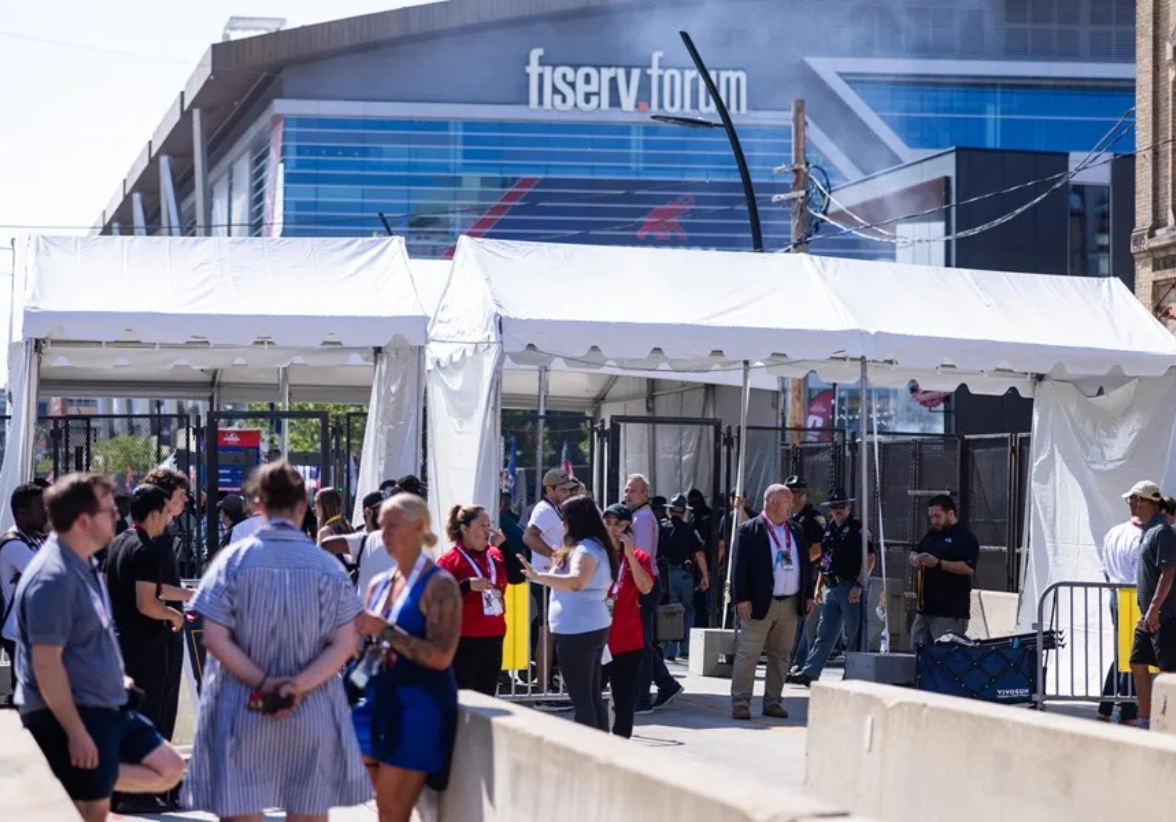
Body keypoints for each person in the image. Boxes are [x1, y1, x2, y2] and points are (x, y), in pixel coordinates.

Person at [183, 460, 369, 821]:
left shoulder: (231, 563)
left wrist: (265, 684)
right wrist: (296, 686)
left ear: (258, 505)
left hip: (241, 706)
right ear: (303, 507)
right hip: (311, 708)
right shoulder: (326, 566)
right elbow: (346, 642)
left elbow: (214, 637)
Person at [14, 474, 184, 822]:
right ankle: (78, 777)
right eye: (109, 511)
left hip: (104, 702)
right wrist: (75, 732)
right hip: (76, 711)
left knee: (168, 767)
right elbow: (46, 666)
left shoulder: (85, 563)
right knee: (93, 812)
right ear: (83, 521)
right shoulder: (53, 578)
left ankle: (86, 776)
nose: (118, 517)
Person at [352, 493, 461, 822]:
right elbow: (370, 646)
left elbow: (441, 657)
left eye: (392, 526)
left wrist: (385, 630)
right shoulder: (379, 583)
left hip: (418, 706)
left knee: (391, 811)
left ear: (418, 528)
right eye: (380, 526)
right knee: (381, 802)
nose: (383, 535)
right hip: (376, 701)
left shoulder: (439, 585)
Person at [101, 485, 188, 812]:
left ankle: (121, 792)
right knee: (147, 716)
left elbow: (120, 588)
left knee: (127, 718)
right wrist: (173, 615)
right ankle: (139, 793)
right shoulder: (146, 549)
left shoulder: (120, 542)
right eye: (166, 514)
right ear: (154, 514)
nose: (168, 520)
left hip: (122, 640)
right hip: (145, 644)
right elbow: (147, 602)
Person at [521, 495, 617, 730]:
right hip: (586, 627)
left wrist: (539, 576)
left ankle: (588, 752)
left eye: (564, 519)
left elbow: (576, 581)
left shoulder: (586, 549)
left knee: (583, 699)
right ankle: (602, 748)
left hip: (579, 630)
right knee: (591, 696)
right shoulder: (592, 545)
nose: (562, 524)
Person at [730, 484, 815, 721]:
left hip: (789, 603)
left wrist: (808, 594)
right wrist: (742, 599)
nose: (793, 503)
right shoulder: (749, 530)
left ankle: (773, 702)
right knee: (749, 653)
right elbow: (739, 568)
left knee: (781, 655)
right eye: (787, 499)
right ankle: (741, 702)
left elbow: (805, 566)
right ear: (771, 502)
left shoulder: (796, 530)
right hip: (758, 603)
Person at [793, 488, 875, 687]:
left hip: (849, 586)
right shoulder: (830, 529)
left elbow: (870, 558)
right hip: (831, 587)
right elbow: (825, 559)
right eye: (834, 506)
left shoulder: (858, 529)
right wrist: (819, 585)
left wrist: (859, 584)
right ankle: (810, 672)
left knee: (855, 634)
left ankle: (853, 674)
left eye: (842, 506)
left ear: (848, 507)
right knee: (824, 632)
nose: (838, 510)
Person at [437, 505, 517, 695]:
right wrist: (466, 585)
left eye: (489, 525)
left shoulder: (495, 555)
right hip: (465, 639)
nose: (487, 531)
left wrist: (504, 546)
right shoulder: (450, 560)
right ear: (465, 529)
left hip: (494, 635)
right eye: (482, 526)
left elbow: (517, 577)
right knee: (463, 698)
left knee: (487, 697)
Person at [623, 475, 680, 712]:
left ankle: (643, 696)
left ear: (645, 494)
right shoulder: (638, 516)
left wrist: (635, 589)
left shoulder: (644, 518)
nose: (627, 495)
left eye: (633, 491)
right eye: (626, 490)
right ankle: (666, 684)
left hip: (643, 584)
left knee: (641, 642)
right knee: (642, 640)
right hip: (642, 583)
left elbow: (641, 557)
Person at [523, 468, 577, 704]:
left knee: (551, 633)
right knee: (548, 634)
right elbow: (528, 536)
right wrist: (554, 554)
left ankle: (546, 687)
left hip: (550, 579)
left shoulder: (554, 509)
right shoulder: (544, 510)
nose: (566, 492)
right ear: (550, 489)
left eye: (568, 488)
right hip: (545, 579)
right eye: (562, 488)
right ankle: (543, 691)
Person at [1125, 481, 1176, 731]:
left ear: (1149, 502)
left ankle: (1168, 725)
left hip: (1163, 616)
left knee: (1169, 673)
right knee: (1136, 661)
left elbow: (1168, 573)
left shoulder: (1162, 531)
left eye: (1136, 499)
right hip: (1149, 617)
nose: (1131, 503)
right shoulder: (1148, 530)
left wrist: (1155, 608)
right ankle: (1145, 720)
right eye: (1131, 499)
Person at [600, 504, 654, 739]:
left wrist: (630, 553)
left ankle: (620, 746)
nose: (613, 529)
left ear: (628, 528)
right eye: (608, 524)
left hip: (627, 641)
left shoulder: (640, 556)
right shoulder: (595, 554)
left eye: (619, 525)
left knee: (624, 703)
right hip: (598, 639)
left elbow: (645, 587)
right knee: (592, 697)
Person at [909, 495, 979, 646]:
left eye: (938, 516)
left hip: (948, 611)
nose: (934, 521)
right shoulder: (932, 534)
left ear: (951, 514)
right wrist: (915, 558)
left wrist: (938, 563)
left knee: (943, 655)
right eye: (931, 517)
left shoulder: (964, 537)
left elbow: (968, 568)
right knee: (917, 650)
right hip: (925, 609)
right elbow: (915, 551)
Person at [1, 483, 48, 707]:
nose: (45, 512)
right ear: (22, 513)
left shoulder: (35, 538)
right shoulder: (14, 544)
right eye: (40, 507)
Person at [1096, 503, 1142, 726]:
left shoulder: (1115, 532)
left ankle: (1107, 707)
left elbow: (1105, 568)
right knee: (1134, 654)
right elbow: (1141, 574)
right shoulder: (1140, 537)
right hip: (1133, 596)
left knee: (1124, 653)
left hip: (1117, 594)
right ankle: (1127, 710)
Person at [659, 494, 710, 661]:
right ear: (683, 512)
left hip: (665, 575)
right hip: (684, 576)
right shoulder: (689, 530)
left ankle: (670, 650)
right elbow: (700, 554)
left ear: (669, 509)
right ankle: (685, 648)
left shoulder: (661, 528)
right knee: (687, 610)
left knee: (670, 611)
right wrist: (705, 575)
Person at [784, 476, 825, 676]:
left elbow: (817, 549)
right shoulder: (787, 517)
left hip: (806, 574)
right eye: (790, 493)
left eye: (796, 493)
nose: (792, 497)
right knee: (795, 619)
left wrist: (795, 563)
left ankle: (797, 663)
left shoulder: (813, 518)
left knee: (800, 619)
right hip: (789, 574)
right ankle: (800, 663)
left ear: (802, 495)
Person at [687, 489, 713, 630]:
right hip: (697, 567)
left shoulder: (709, 518)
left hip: (709, 563)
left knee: (709, 602)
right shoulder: (694, 520)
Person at [213, 494, 248, 559]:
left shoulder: (234, 532)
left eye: (221, 510)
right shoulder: (246, 525)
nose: (220, 514)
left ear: (225, 514)